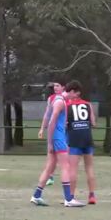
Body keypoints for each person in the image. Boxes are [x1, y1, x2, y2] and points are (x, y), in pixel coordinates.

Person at [30, 79, 85, 207]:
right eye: (76, 95)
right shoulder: (60, 102)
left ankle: (36, 196)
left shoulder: (58, 100)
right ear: (71, 91)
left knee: (50, 167)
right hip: (58, 138)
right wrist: (50, 143)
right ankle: (69, 199)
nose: (76, 98)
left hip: (57, 137)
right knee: (65, 166)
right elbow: (51, 121)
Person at [65, 80, 97, 205]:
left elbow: (64, 123)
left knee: (72, 168)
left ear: (74, 92)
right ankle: (92, 195)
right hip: (87, 138)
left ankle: (71, 196)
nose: (68, 94)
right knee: (89, 167)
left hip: (74, 139)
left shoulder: (67, 105)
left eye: (69, 92)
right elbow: (93, 123)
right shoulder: (88, 105)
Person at [37, 82, 65, 187]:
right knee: (52, 157)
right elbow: (47, 115)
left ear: (63, 87)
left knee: (64, 160)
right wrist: (41, 129)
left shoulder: (66, 97)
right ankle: (50, 177)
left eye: (58, 85)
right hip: (55, 132)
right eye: (54, 86)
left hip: (64, 132)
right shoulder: (52, 99)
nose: (55, 88)